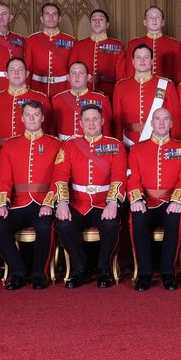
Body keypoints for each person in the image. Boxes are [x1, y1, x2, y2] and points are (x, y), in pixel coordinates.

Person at [0, 100, 60, 290]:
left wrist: (49, 202)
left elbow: (58, 180)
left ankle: (39, 273)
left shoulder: (56, 144)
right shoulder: (10, 145)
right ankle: (18, 272)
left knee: (45, 226)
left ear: (43, 117)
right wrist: (2, 203)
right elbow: (4, 180)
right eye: (28, 115)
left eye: (36, 115)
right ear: (21, 118)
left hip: (43, 202)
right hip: (17, 203)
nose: (32, 118)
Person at [54, 104, 128, 288]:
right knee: (64, 225)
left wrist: (112, 203)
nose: (91, 123)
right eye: (87, 119)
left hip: (104, 202)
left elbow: (119, 175)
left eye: (95, 118)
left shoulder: (115, 145)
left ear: (102, 121)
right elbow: (60, 175)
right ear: (80, 123)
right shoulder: (69, 145)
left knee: (110, 225)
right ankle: (80, 269)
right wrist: (62, 203)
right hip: (78, 203)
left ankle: (104, 270)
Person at [127, 108, 181, 291]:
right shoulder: (137, 149)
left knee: (174, 219)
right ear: (152, 123)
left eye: (166, 119)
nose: (162, 123)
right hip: (146, 202)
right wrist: (136, 199)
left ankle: (168, 273)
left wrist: (177, 200)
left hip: (170, 202)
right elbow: (132, 179)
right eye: (157, 119)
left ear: (172, 123)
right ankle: (144, 274)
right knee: (138, 219)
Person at [113, 44, 181, 148]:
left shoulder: (167, 85)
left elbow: (175, 117)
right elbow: (117, 121)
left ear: (152, 61)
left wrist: (175, 144)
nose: (142, 61)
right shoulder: (120, 86)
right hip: (129, 141)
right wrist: (118, 146)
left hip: (158, 141)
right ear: (132, 61)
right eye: (138, 57)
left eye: (146, 57)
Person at [0, 57, 51, 144]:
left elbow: (49, 130)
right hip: (1, 149)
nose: (16, 73)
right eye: (12, 70)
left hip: (31, 149)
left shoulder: (41, 98)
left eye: (20, 70)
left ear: (27, 74)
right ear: (6, 74)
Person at [24, 2, 76, 100]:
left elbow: (72, 69)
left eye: (54, 14)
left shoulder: (71, 40)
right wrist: (27, 90)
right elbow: (27, 68)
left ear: (60, 18)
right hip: (37, 87)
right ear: (42, 19)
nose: (51, 17)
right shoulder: (31, 40)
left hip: (62, 88)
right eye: (47, 14)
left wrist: (70, 90)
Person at [70, 9, 125, 99]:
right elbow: (71, 74)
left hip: (108, 95)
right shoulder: (79, 46)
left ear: (107, 25)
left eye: (101, 19)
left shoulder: (117, 46)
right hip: (83, 95)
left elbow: (121, 77)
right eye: (94, 19)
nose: (97, 22)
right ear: (90, 24)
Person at [120, 6, 181, 82]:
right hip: (140, 87)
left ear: (163, 22)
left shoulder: (175, 44)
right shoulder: (133, 44)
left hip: (165, 87)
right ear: (145, 22)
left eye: (158, 17)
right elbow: (129, 72)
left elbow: (179, 74)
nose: (154, 20)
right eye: (150, 17)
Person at [51, 62, 113, 140]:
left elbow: (107, 129)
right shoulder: (57, 99)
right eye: (73, 73)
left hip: (90, 146)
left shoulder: (101, 98)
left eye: (81, 73)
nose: (77, 76)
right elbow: (52, 129)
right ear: (68, 77)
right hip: (64, 145)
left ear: (88, 77)